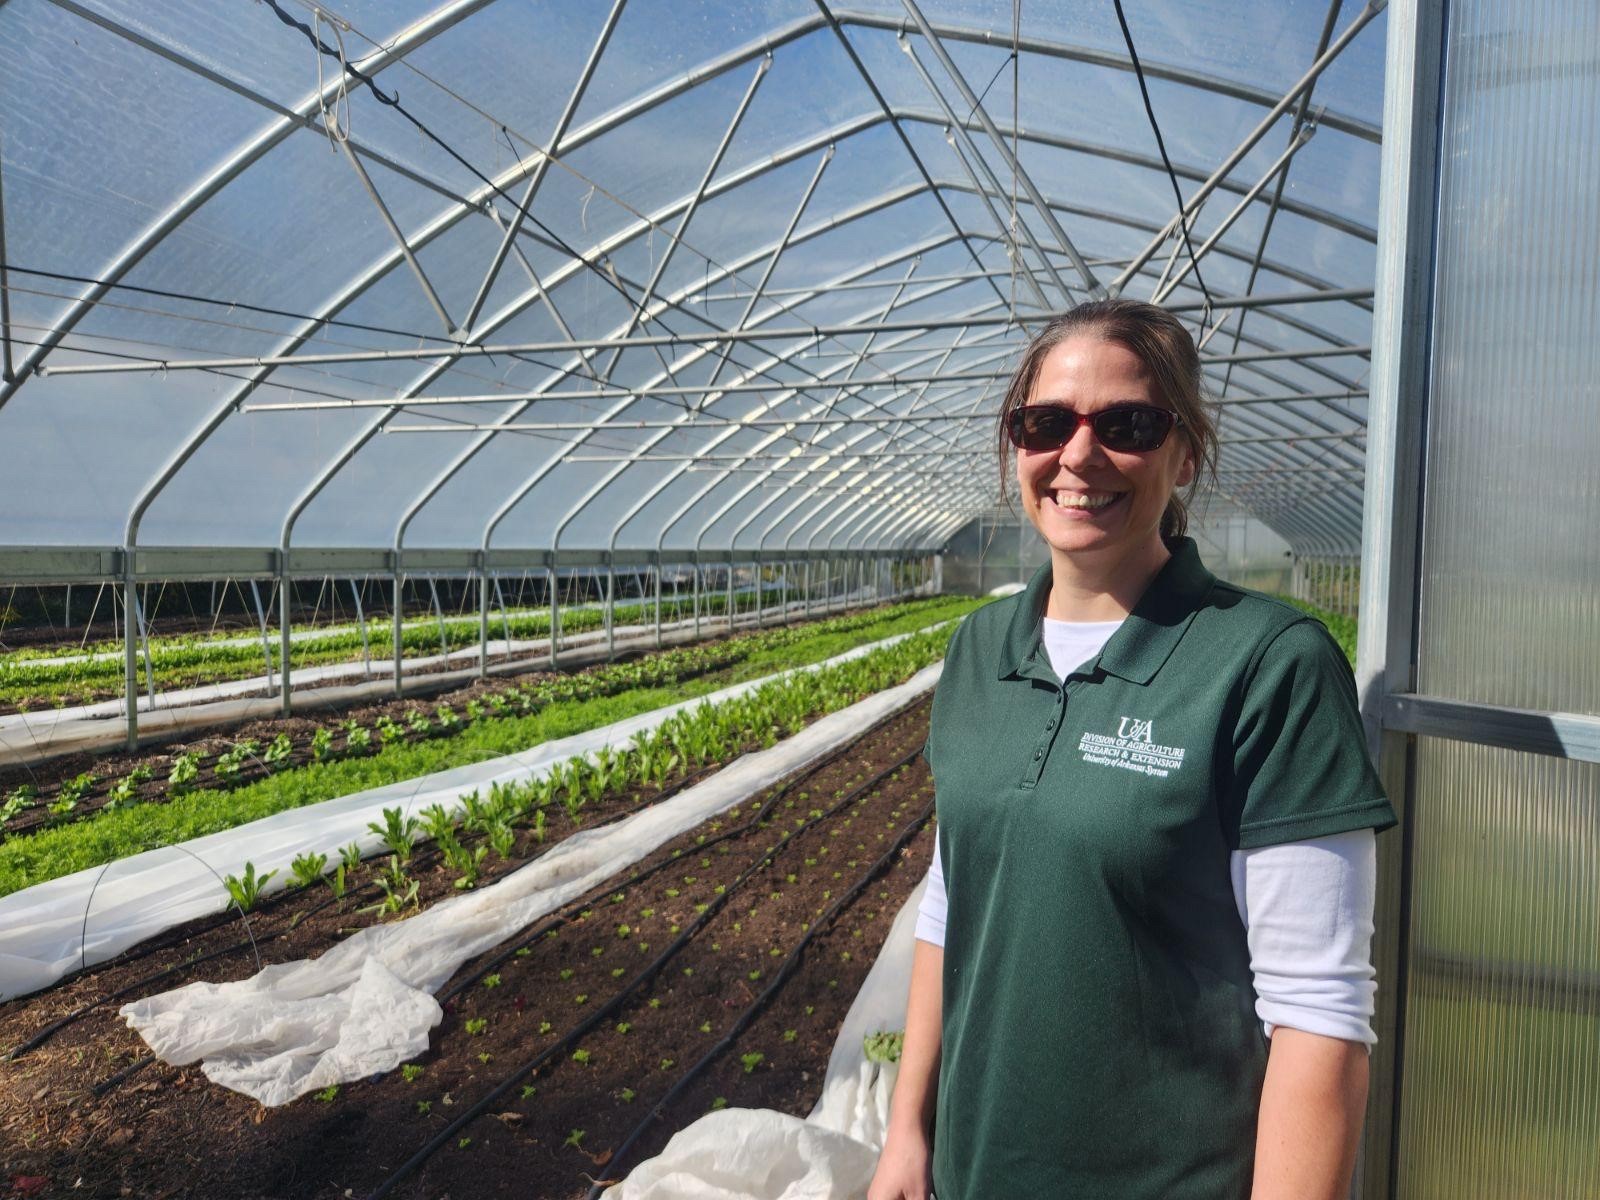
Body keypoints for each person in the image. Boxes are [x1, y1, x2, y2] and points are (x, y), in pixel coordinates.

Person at [868, 299, 1396, 1200]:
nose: (1078, 456)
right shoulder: (976, 652)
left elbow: (1320, 1015)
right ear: (1016, 445)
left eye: (1128, 425)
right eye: (1044, 424)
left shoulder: (1269, 664)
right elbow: (951, 902)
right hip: (975, 1170)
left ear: (1185, 453)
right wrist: (907, 1137)